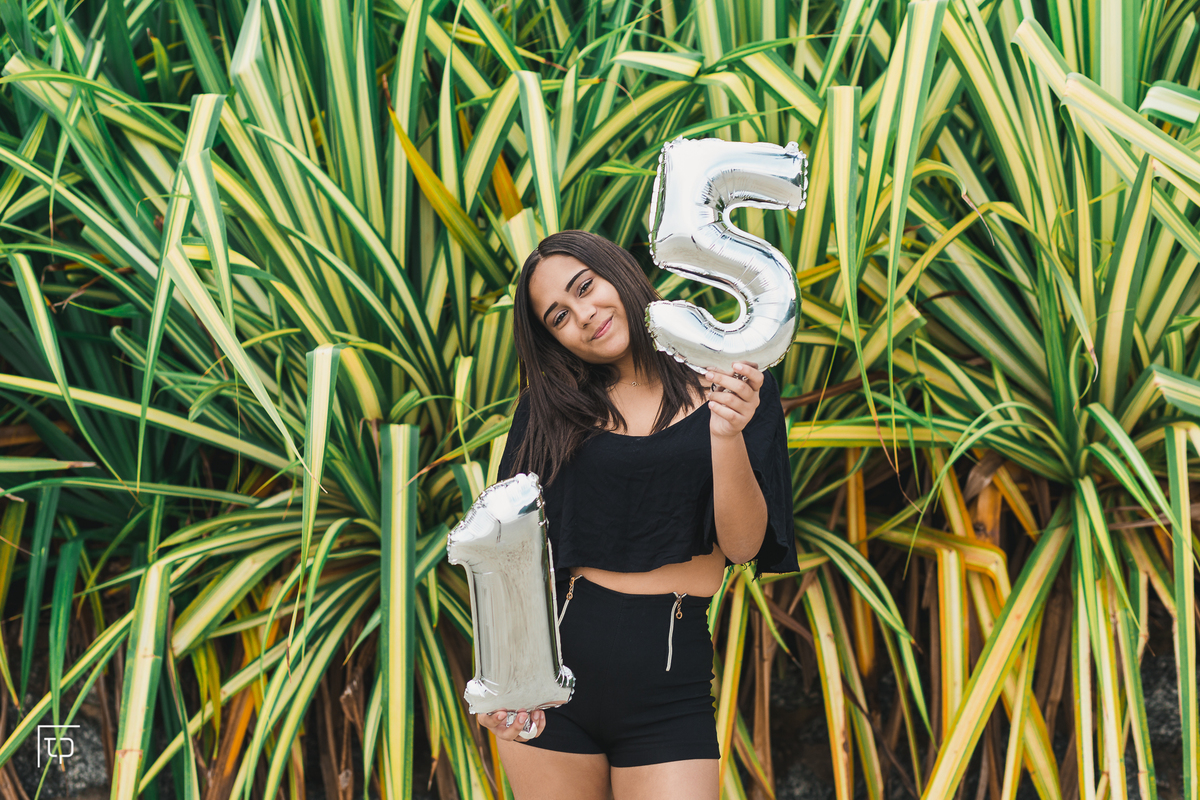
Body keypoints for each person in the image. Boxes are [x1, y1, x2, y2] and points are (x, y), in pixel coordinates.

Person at [478, 230, 798, 799]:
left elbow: (744, 545)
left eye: (585, 286)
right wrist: (503, 684)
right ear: (555, 339)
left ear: (617, 272)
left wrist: (725, 433)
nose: (583, 314)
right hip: (555, 687)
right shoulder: (550, 410)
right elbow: (510, 553)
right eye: (558, 316)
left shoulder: (734, 384)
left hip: (670, 691)